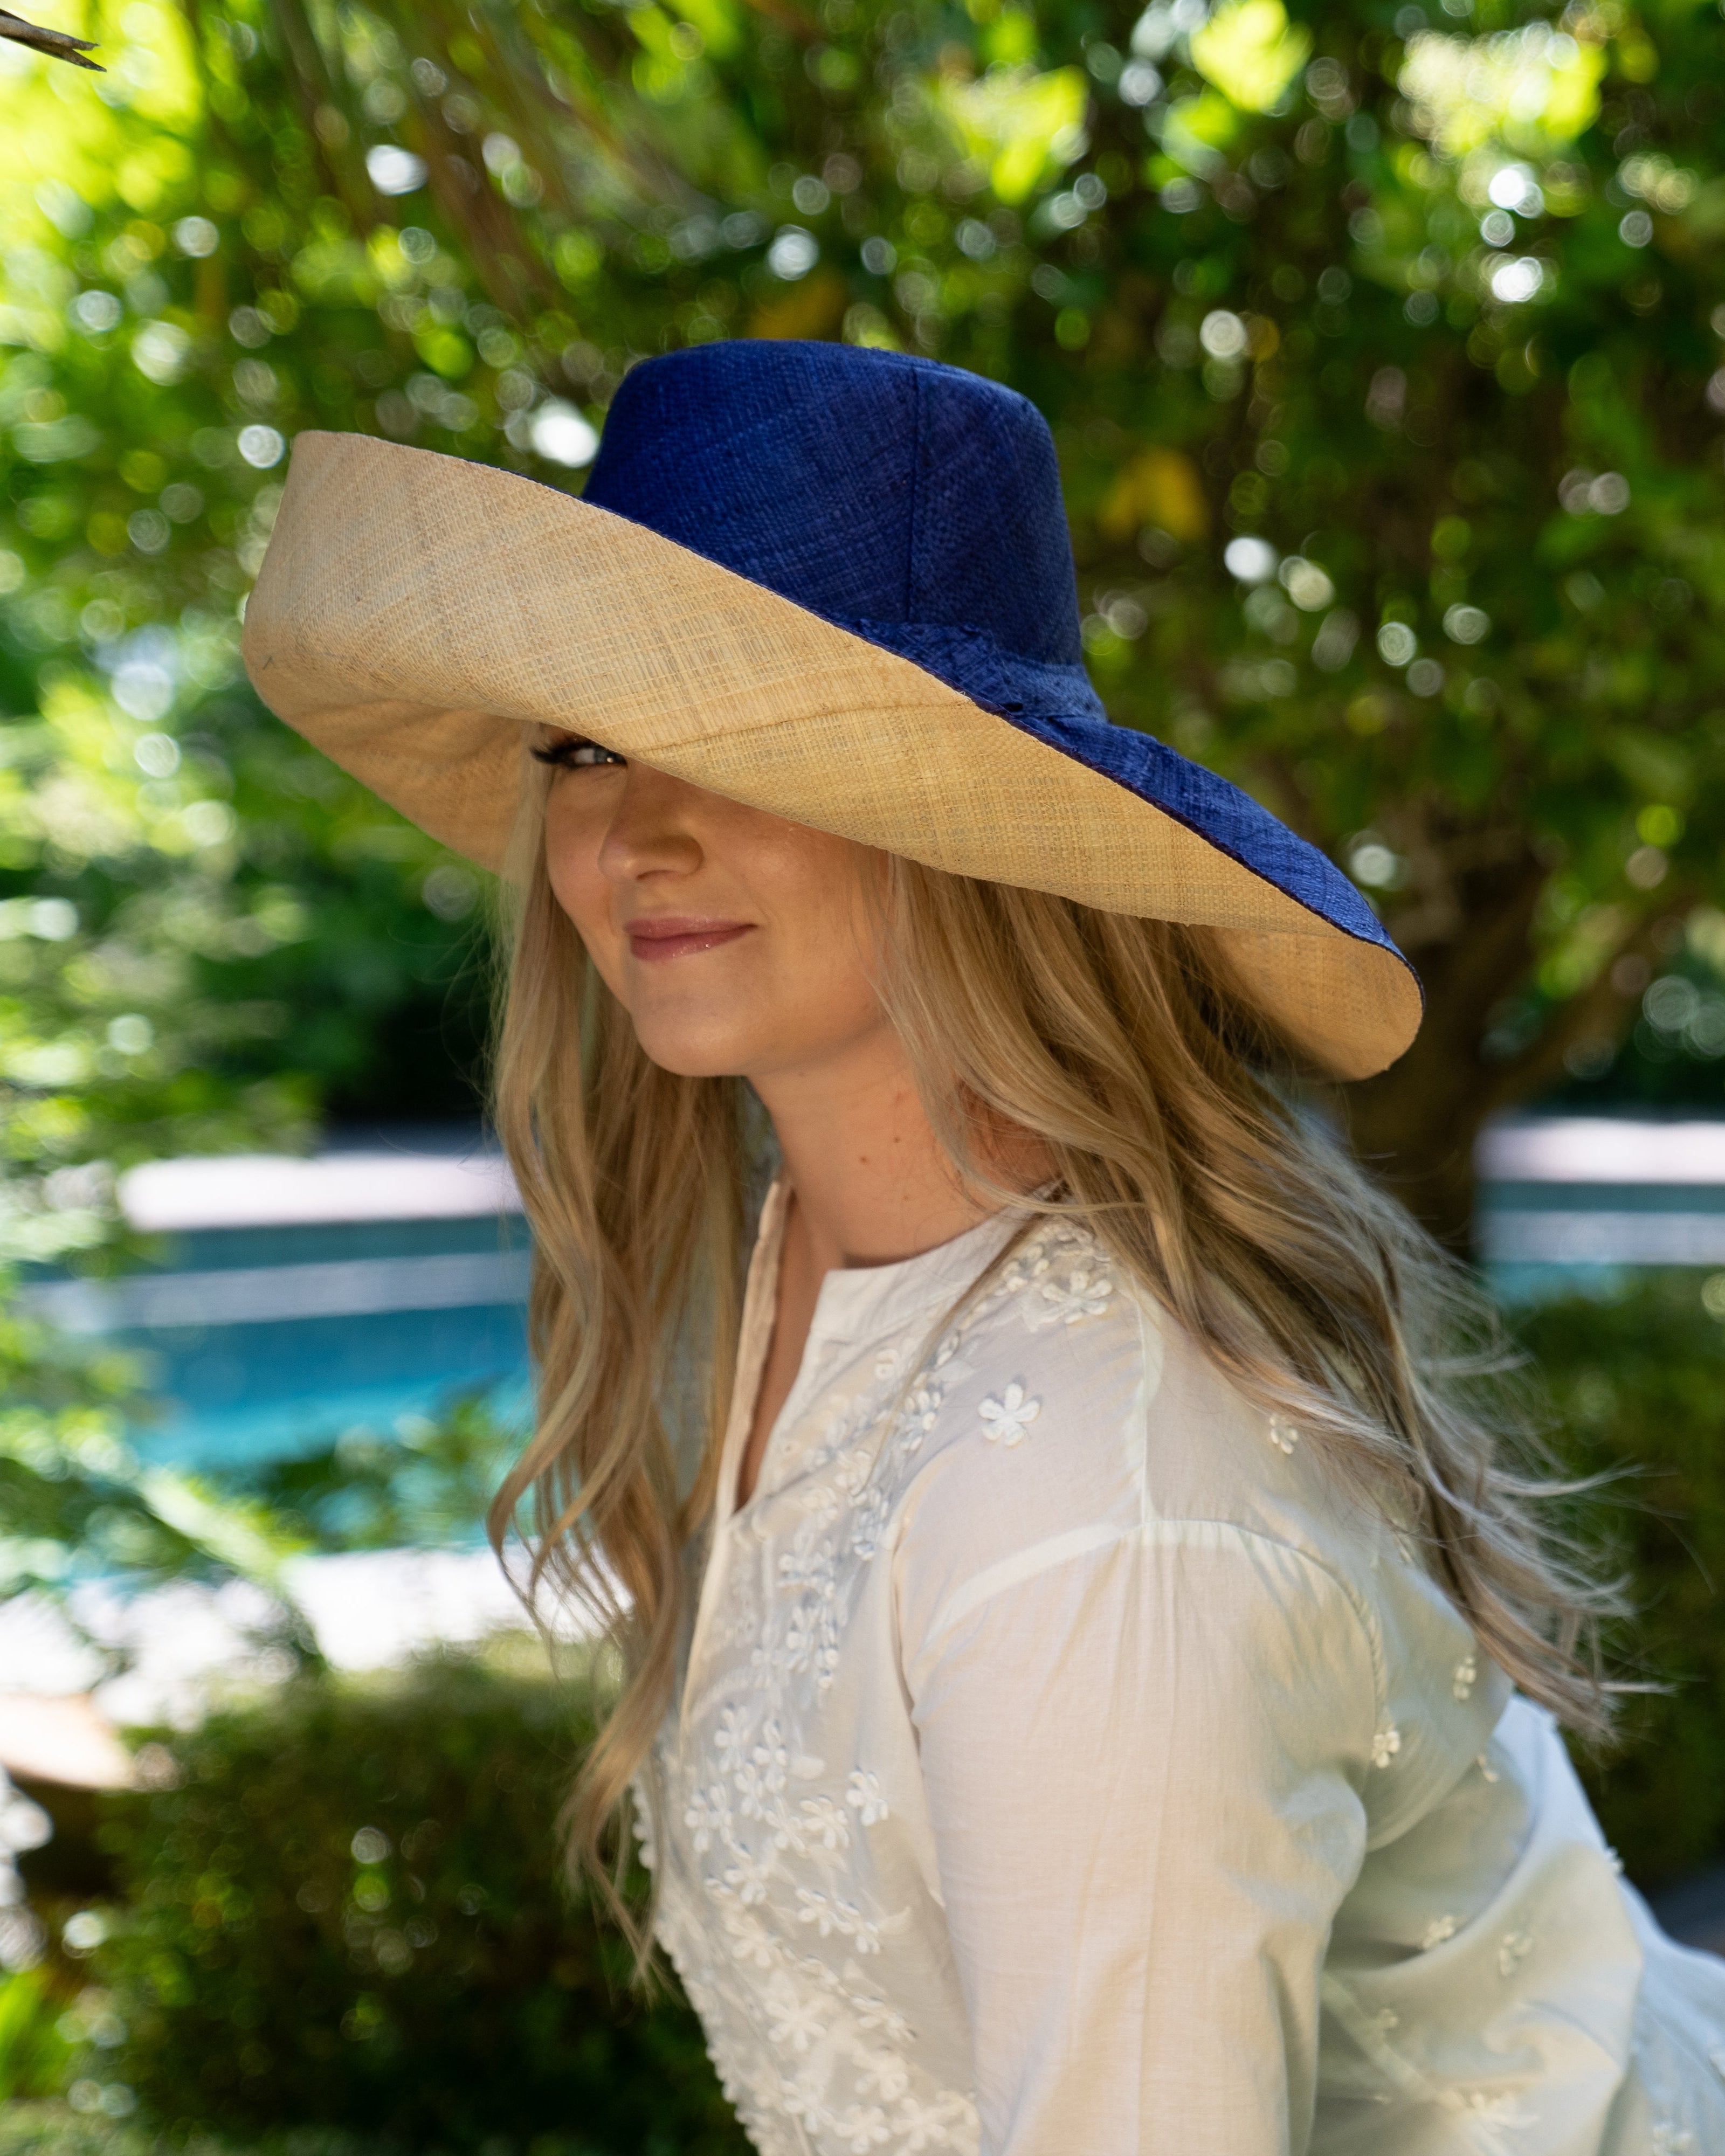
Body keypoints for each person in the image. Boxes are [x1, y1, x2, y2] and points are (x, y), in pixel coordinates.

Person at [245, 340, 1724, 2155]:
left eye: (737, 742)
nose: (637, 829)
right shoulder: (835, 1255)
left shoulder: (1093, 1514)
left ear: (961, 829)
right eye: (585, 742)